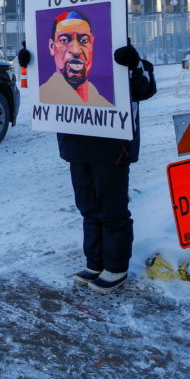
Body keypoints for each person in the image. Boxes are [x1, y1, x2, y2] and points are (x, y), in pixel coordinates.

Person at [59, 39, 157, 292]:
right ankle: (95, 262)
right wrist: (32, 61)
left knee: (111, 207)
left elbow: (145, 89)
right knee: (87, 205)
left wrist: (134, 65)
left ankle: (115, 267)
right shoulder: (65, 52)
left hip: (112, 146)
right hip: (75, 142)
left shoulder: (119, 48)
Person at [38, 10, 111, 107]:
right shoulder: (43, 96)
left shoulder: (100, 101)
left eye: (84, 40)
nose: (76, 51)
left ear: (92, 45)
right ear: (52, 47)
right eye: (64, 40)